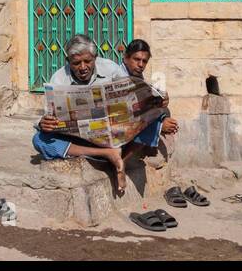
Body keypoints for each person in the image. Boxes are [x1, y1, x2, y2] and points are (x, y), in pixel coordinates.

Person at [33, 35, 163, 192]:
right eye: (76, 63)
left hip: (117, 136)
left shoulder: (111, 69)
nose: (82, 67)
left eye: (87, 61)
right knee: (39, 140)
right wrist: (43, 123)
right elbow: (46, 116)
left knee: (153, 119)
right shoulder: (58, 79)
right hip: (82, 140)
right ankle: (108, 154)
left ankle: (120, 160)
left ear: (95, 57)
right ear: (68, 62)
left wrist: (152, 103)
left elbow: (130, 95)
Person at [121, 39, 178, 137]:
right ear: (126, 58)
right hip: (121, 125)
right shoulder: (117, 74)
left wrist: (161, 101)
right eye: (137, 59)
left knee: (165, 111)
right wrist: (158, 126)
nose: (141, 65)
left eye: (144, 61)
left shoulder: (139, 78)